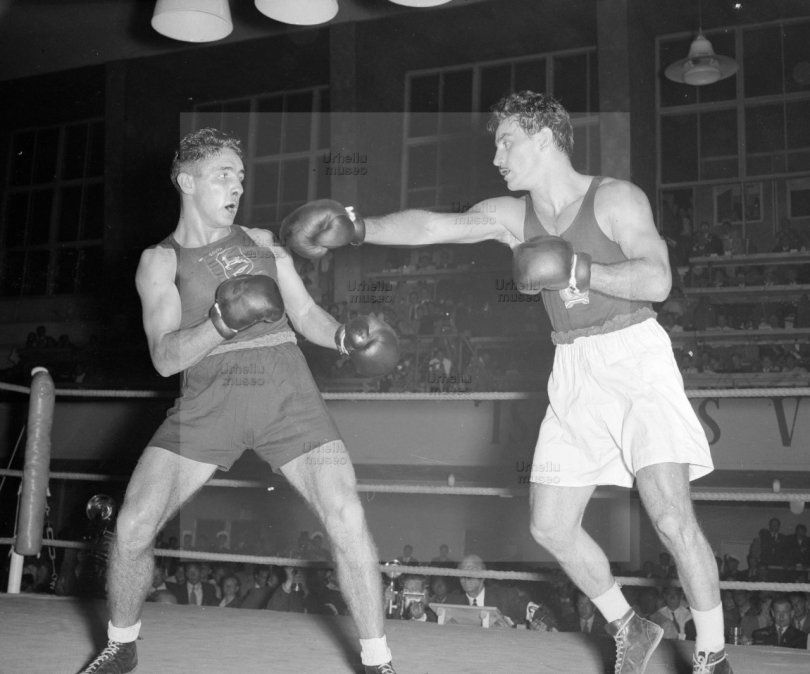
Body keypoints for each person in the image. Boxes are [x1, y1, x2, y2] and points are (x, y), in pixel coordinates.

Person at [280, 91, 730, 674]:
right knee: (550, 525)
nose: (496, 154)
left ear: (544, 137)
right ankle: (627, 624)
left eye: (506, 140)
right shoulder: (513, 215)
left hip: (635, 357)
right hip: (572, 366)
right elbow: (432, 227)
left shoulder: (615, 197)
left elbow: (657, 280)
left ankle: (712, 652)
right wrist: (359, 227)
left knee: (670, 516)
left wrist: (577, 267)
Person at [79, 128, 399, 674]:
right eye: (223, 174)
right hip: (208, 400)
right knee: (132, 526)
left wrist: (344, 337)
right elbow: (164, 357)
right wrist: (222, 322)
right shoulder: (160, 260)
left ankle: (377, 662)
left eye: (241, 177)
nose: (237, 186)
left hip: (286, 393)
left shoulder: (263, 240)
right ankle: (122, 644)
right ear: (186, 181)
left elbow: (306, 316)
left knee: (346, 514)